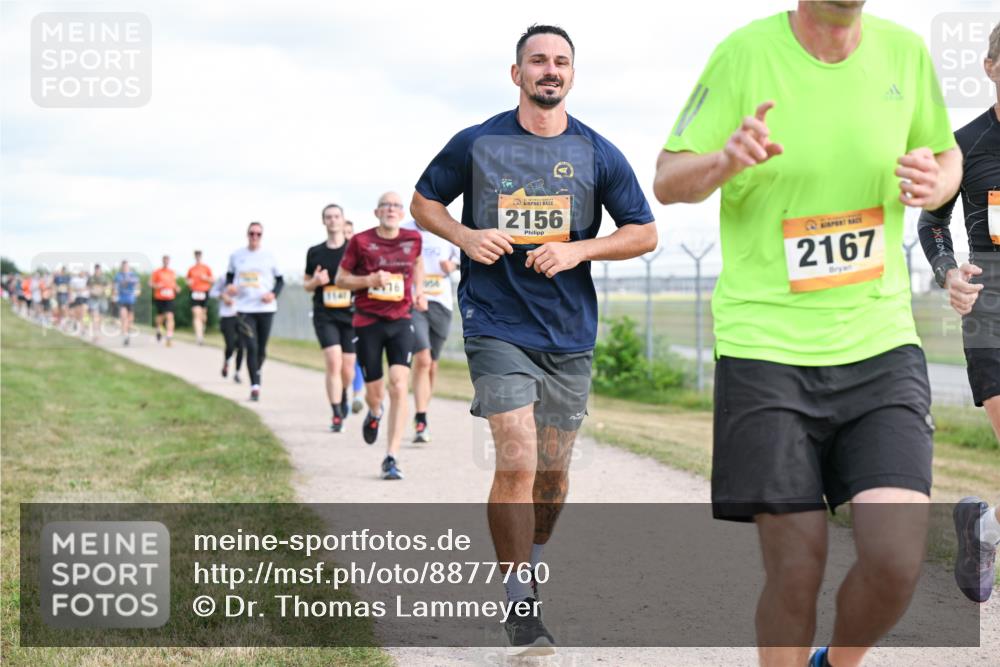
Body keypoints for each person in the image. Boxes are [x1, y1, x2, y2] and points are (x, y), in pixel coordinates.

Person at [652, 3, 962, 666]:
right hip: (766, 348)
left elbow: (947, 151)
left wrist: (940, 179)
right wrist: (724, 159)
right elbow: (667, 176)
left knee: (897, 557)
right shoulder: (744, 53)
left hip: (880, 342)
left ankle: (836, 661)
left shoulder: (904, 53)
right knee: (796, 564)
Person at [411, 24, 657, 654]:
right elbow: (423, 202)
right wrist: (466, 238)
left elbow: (643, 232)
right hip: (495, 322)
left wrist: (579, 250)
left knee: (552, 474)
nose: (550, 70)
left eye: (561, 62)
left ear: (571, 75)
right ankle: (520, 601)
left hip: (568, 332)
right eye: (538, 60)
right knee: (516, 457)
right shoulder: (478, 142)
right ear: (516, 72)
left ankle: (533, 553)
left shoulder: (598, 152)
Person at [916, 22, 1000, 605]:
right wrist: (948, 270)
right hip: (990, 300)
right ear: (991, 67)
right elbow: (930, 221)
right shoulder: (965, 143)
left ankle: (984, 527)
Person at [336, 192, 425, 479]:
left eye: (396, 206)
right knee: (375, 394)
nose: (391, 209)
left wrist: (418, 290)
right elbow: (341, 279)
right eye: (385, 205)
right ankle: (375, 413)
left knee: (399, 384)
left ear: (402, 213)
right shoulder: (360, 242)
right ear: (376, 212)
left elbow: (418, 263)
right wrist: (369, 280)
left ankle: (391, 456)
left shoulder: (414, 239)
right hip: (368, 321)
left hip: (401, 320)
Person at [402, 217, 460, 443]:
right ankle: (421, 418)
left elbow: (466, 256)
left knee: (432, 365)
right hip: (415, 301)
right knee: (423, 359)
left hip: (442, 303)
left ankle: (423, 408)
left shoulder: (446, 226)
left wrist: (452, 266)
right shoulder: (404, 229)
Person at [305, 204, 358, 432]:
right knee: (333, 361)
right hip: (324, 313)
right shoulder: (315, 252)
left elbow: (363, 280)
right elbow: (306, 285)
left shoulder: (355, 249)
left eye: (336, 216)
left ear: (343, 220)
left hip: (350, 315)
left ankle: (343, 393)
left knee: (348, 369)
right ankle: (336, 413)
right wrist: (316, 282)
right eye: (328, 217)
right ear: (323, 221)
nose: (333, 220)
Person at [226, 222, 283, 401]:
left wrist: (272, 294)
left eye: (258, 234)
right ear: (247, 234)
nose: (255, 237)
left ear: (262, 236)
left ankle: (256, 370)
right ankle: (255, 386)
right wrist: (230, 286)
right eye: (252, 233)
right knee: (251, 346)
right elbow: (229, 276)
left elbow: (280, 281)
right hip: (244, 308)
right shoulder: (237, 255)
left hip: (265, 308)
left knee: (261, 349)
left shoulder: (269, 256)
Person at [345, 219, 367, 415]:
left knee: (357, 355)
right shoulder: (331, 257)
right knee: (340, 361)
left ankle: (357, 394)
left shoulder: (360, 256)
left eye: (350, 233)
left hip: (357, 312)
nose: (347, 237)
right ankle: (341, 395)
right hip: (335, 315)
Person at [210, 274, 243, 383]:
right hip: (227, 315)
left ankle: (237, 372)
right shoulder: (223, 278)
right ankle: (227, 362)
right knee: (230, 344)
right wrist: (223, 296)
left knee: (241, 345)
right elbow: (212, 292)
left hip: (242, 314)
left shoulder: (247, 278)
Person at [186, 250, 214, 345]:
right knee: (196, 314)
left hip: (204, 292)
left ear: (201, 256)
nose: (198, 257)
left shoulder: (206, 268)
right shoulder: (191, 269)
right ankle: (199, 337)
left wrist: (206, 278)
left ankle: (202, 327)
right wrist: (189, 283)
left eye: (199, 255)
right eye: (196, 255)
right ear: (194, 257)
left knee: (203, 316)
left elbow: (213, 280)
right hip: (194, 292)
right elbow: (187, 280)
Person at [151, 255, 178, 347]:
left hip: (170, 297)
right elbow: (150, 283)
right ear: (163, 261)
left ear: (169, 261)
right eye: (165, 260)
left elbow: (174, 284)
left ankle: (169, 336)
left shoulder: (172, 272)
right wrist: (156, 286)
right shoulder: (157, 272)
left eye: (167, 260)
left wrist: (177, 288)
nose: (166, 262)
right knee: (161, 316)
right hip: (159, 297)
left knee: (170, 316)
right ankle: (158, 329)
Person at [114, 260, 141, 346]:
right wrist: (114, 294)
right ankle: (125, 335)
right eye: (123, 266)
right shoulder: (118, 276)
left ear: (128, 267)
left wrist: (137, 292)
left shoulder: (133, 276)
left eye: (126, 266)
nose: (125, 268)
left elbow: (138, 286)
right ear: (121, 267)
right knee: (123, 316)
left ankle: (127, 333)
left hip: (131, 300)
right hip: (122, 299)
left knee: (130, 319)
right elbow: (114, 286)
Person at [87, 264, 111, 341]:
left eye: (98, 269)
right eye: (96, 269)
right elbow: (87, 287)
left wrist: (102, 289)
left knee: (101, 316)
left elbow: (109, 285)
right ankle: (95, 334)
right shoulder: (91, 278)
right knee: (95, 316)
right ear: (95, 270)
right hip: (93, 299)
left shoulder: (104, 278)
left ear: (100, 270)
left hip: (103, 299)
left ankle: (98, 329)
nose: (97, 271)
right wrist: (92, 291)